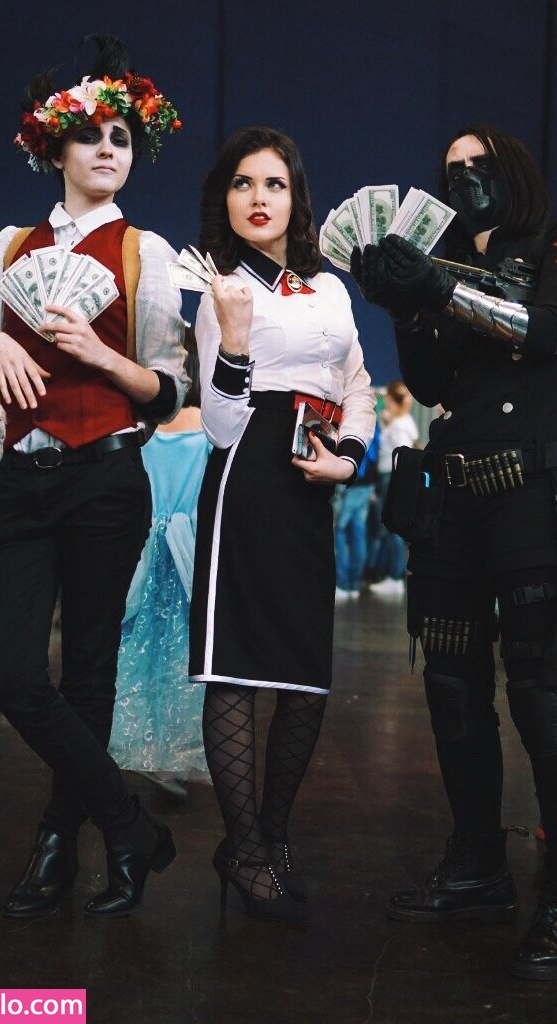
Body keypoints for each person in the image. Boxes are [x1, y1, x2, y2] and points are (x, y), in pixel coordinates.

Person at [0, 34, 188, 919]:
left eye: (121, 137)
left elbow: (169, 388)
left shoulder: (146, 252)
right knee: (14, 676)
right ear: (54, 149)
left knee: (90, 673)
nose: (107, 148)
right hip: (18, 479)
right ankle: (129, 828)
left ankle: (60, 841)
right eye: (89, 135)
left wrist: (99, 353)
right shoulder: (9, 245)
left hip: (106, 476)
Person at [352, 123, 557, 979]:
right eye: (451, 169)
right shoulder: (437, 260)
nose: (465, 177)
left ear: (512, 168)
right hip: (453, 493)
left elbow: (542, 332)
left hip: (531, 491)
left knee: (541, 691)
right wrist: (406, 305)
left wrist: (440, 288)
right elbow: (432, 383)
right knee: (451, 686)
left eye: (479, 164)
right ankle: (477, 864)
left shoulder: (546, 244)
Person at [189, 126, 375, 920]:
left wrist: (351, 458)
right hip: (246, 474)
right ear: (224, 199)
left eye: (274, 183)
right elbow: (220, 425)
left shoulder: (330, 288)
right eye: (243, 183)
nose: (258, 197)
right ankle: (246, 849)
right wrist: (233, 338)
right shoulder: (220, 286)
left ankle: (267, 837)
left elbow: (358, 383)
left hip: (313, 475)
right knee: (234, 668)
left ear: (297, 198)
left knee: (306, 679)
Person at [109, 329, 210, 796]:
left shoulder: (142, 428)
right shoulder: (209, 427)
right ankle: (178, 758)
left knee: (135, 651)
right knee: (184, 654)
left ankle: (131, 745)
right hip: (190, 553)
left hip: (143, 551)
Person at [368, 381, 418, 595]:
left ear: (391, 399)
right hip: (389, 476)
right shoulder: (400, 422)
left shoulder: (400, 425)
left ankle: (395, 576)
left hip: (391, 477)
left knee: (392, 528)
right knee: (390, 528)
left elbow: (400, 456)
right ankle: (392, 574)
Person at [335, 417, 380, 600]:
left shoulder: (352, 420)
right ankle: (354, 584)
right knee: (359, 533)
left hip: (353, 483)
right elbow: (375, 454)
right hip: (367, 485)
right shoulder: (373, 422)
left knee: (339, 530)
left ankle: (342, 583)